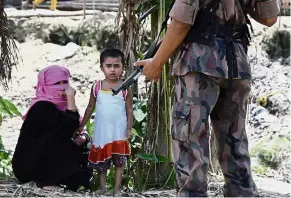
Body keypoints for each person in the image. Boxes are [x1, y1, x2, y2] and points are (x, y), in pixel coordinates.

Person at [135, 0, 279, 197]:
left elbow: (181, 22)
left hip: (199, 63)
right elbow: (269, 17)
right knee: (234, 138)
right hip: (237, 63)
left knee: (190, 136)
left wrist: (157, 62)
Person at [12, 65, 92, 192]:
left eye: (65, 82)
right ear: (45, 85)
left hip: (45, 163)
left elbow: (75, 128)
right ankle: (45, 181)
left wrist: (82, 138)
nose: (62, 87)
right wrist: (71, 98)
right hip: (28, 166)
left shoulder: (63, 106)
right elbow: (67, 127)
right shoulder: (42, 106)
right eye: (56, 83)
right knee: (58, 136)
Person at [77, 49, 133, 196]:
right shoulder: (97, 87)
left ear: (123, 67)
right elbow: (90, 107)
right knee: (102, 162)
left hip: (119, 131)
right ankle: (103, 187)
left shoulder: (125, 87)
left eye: (116, 65)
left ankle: (117, 188)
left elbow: (129, 110)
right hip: (102, 132)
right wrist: (82, 125)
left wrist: (129, 128)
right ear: (102, 67)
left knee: (119, 161)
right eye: (108, 66)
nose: (113, 70)